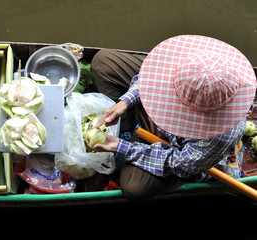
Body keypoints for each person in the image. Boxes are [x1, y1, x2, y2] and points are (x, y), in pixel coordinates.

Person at [88, 35, 257, 201]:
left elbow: (181, 164)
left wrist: (121, 148)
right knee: (103, 62)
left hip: (176, 148)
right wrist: (125, 101)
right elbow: (149, 77)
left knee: (134, 188)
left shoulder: (222, 134)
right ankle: (127, 128)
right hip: (158, 116)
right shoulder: (198, 62)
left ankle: (128, 139)